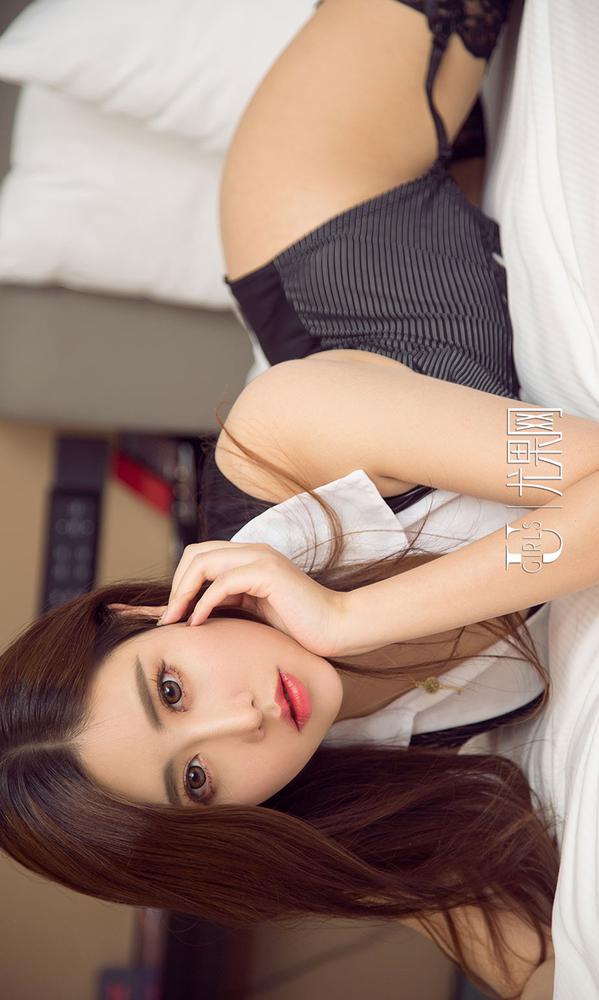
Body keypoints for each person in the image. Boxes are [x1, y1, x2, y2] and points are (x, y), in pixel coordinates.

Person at [7, 0, 598, 995]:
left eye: (171, 689)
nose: (240, 723)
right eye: (196, 781)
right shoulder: (339, 805)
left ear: (144, 616)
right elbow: (546, 971)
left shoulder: (281, 424)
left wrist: (348, 616)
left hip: (325, 205)